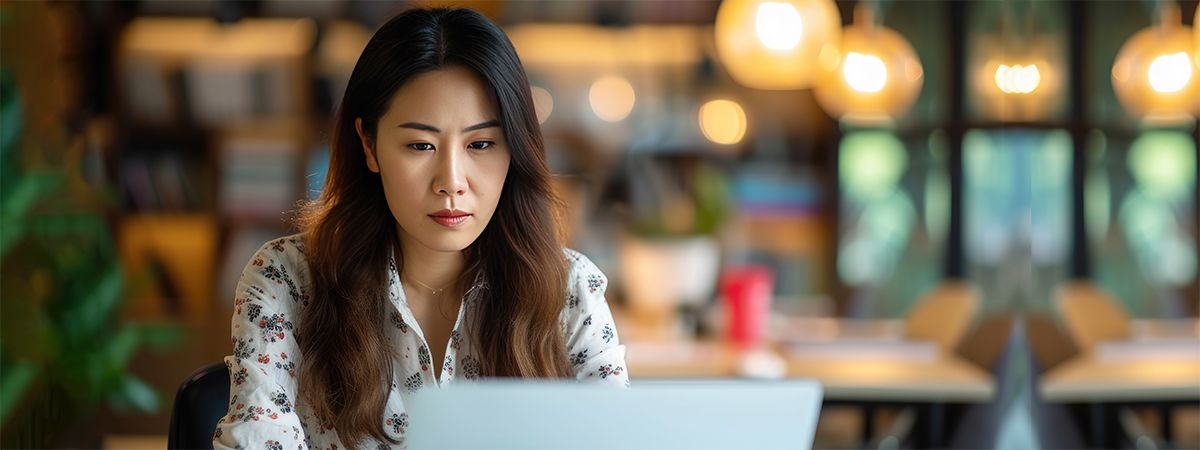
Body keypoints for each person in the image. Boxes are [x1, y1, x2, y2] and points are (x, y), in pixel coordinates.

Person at [213, 7, 628, 449]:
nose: (451, 181)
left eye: (481, 144)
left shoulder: (569, 289)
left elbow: (617, 440)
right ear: (369, 146)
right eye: (420, 145)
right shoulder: (289, 280)